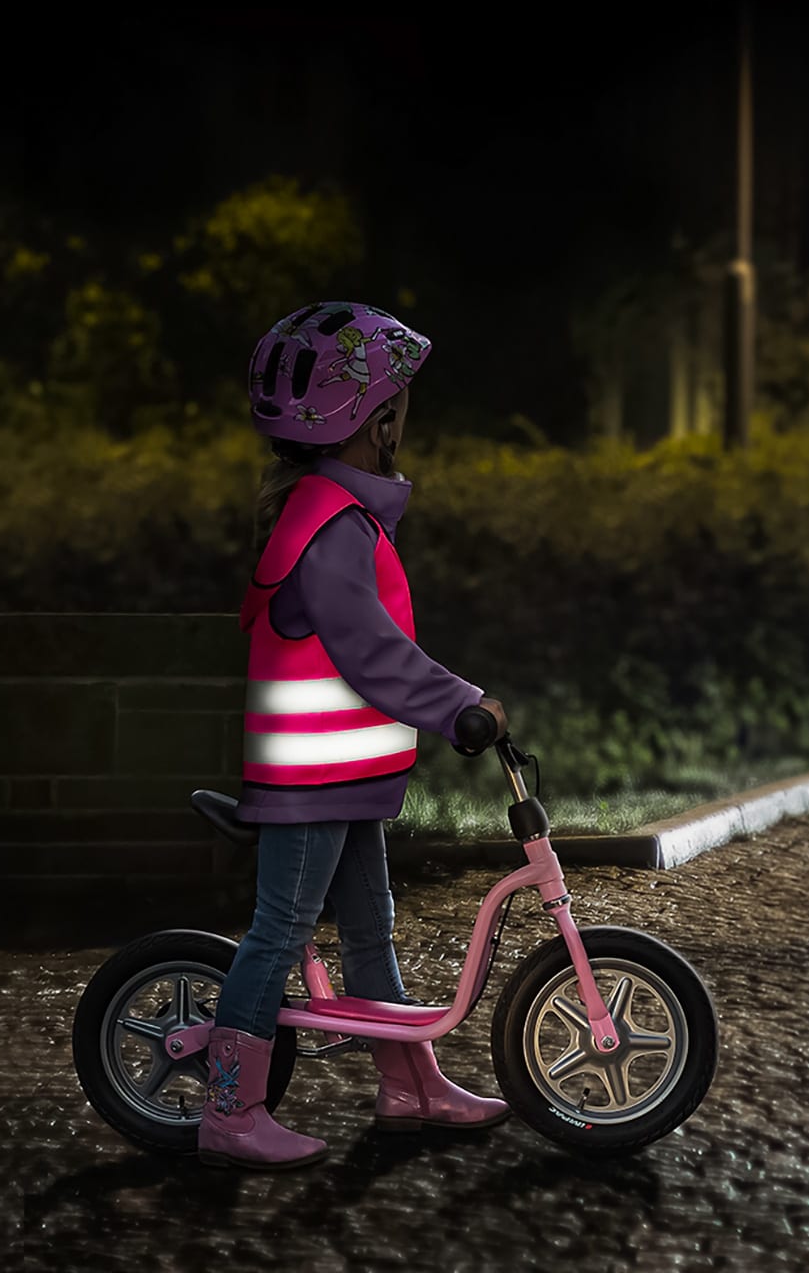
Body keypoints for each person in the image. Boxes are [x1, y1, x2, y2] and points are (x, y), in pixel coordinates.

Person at [199, 300, 511, 1170]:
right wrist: (461, 705)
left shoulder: (335, 510)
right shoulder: (329, 525)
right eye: (400, 406)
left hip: (346, 778)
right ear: (377, 422)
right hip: (311, 787)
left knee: (370, 927)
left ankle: (410, 1086)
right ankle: (230, 1110)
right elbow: (371, 650)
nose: (404, 420)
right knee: (278, 931)